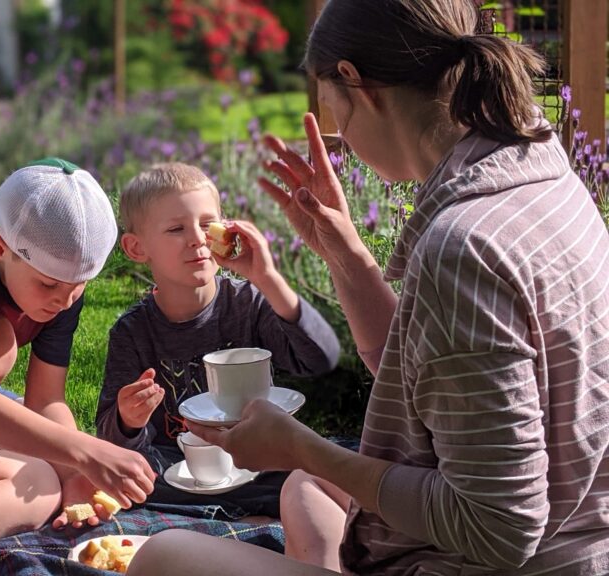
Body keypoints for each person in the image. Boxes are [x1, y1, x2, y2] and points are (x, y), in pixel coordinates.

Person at [127, 0, 609, 574]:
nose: (342, 139)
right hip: (582, 537)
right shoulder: (546, 174)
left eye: (334, 109)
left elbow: (499, 528)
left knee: (161, 555)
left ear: (356, 82)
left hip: (500, 561)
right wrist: (345, 249)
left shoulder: (464, 247)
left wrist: (301, 446)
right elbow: (425, 379)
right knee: (306, 487)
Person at [0, 157, 157, 529]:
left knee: (46, 480)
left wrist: (74, 475)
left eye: (79, 286)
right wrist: (86, 452)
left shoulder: (61, 286)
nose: (64, 301)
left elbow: (45, 400)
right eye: (49, 285)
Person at [96, 162, 340, 519]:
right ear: (136, 248)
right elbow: (113, 443)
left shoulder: (248, 303)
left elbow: (319, 358)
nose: (197, 238)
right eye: (176, 228)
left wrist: (269, 279)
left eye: (207, 223)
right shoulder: (133, 333)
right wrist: (127, 419)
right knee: (136, 487)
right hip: (183, 475)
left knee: (318, 473)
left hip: (259, 463)